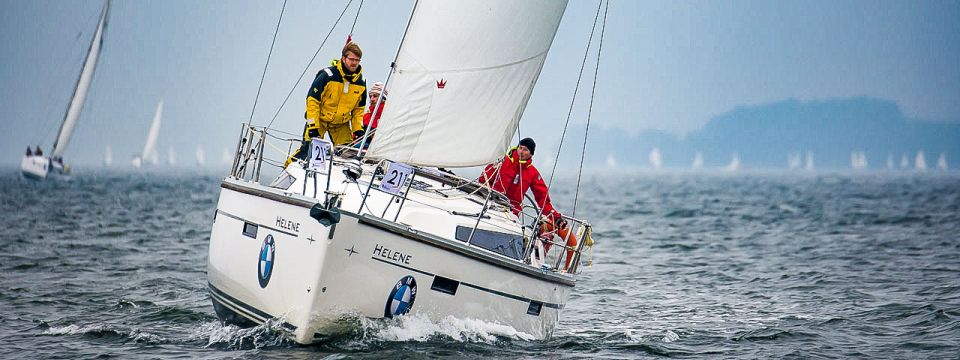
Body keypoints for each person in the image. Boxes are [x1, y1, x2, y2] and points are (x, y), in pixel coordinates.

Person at [478, 138, 578, 269]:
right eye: (520, 147)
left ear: (531, 154)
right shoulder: (502, 161)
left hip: (511, 213)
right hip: (490, 205)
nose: (521, 151)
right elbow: (482, 180)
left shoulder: (532, 172)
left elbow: (542, 198)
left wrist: (557, 218)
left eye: (525, 150)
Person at [286, 42, 368, 166]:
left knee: (347, 154)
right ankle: (287, 167)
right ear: (343, 58)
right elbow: (312, 101)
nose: (354, 63)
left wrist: (358, 130)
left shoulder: (361, 83)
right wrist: (313, 126)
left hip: (341, 124)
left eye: (357, 60)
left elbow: (358, 110)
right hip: (320, 120)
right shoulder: (327, 75)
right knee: (308, 150)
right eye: (351, 59)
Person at [360, 81, 387, 148]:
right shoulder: (365, 117)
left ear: (383, 99)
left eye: (375, 96)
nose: (371, 99)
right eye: (370, 96)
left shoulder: (388, 116)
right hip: (362, 151)